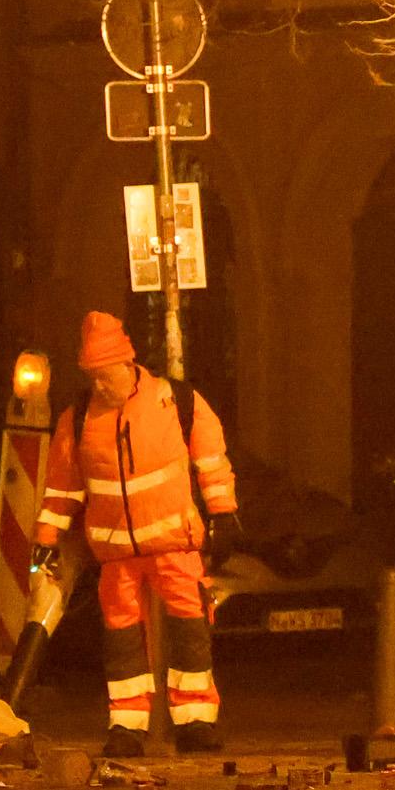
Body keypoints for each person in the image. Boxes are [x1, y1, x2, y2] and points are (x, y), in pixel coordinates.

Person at [31, 310, 240, 756]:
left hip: (174, 545)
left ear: (128, 365)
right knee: (122, 639)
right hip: (115, 555)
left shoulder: (176, 401)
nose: (100, 386)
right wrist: (46, 539)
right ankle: (126, 726)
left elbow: (212, 460)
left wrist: (223, 513)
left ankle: (196, 722)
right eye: (92, 378)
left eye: (105, 376)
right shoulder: (80, 416)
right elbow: (61, 485)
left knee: (191, 631)